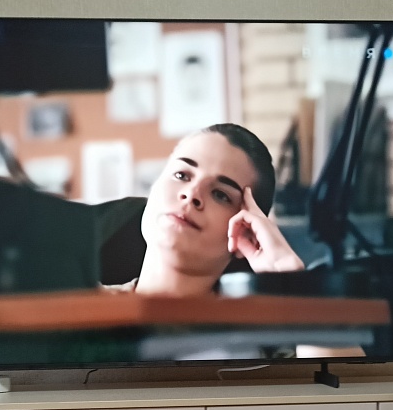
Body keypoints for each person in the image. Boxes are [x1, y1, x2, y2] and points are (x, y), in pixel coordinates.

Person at [113, 123, 304, 296]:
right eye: (181, 175)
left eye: (220, 194)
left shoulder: (255, 324)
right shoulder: (94, 305)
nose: (192, 194)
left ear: (248, 234)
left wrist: (286, 280)